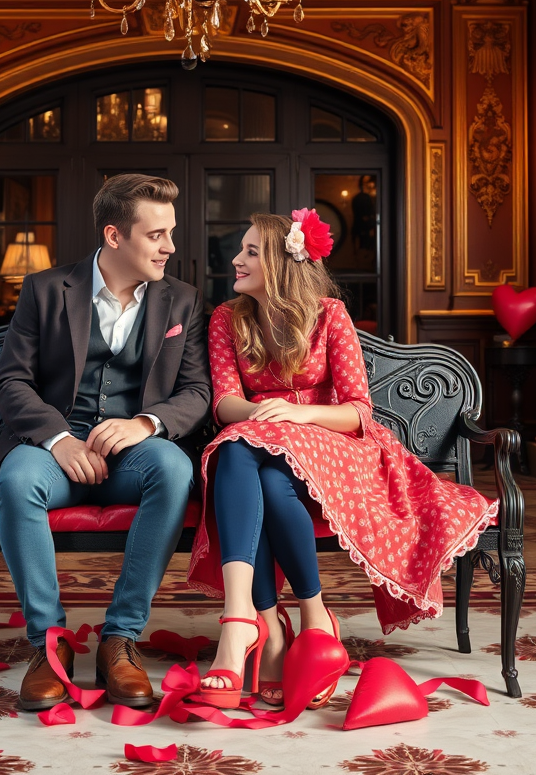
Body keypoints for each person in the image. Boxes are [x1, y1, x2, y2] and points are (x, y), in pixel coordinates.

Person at [187, 210, 498, 709]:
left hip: (333, 445)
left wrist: (297, 414)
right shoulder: (228, 318)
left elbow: (358, 410)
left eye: (251, 252)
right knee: (244, 455)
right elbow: (225, 403)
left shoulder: (330, 314)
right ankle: (268, 619)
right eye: (241, 250)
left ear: (283, 264)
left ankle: (272, 620)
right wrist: (267, 416)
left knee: (243, 452)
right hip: (259, 442)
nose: (236, 259)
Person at [0, 173, 212, 711]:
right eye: (156, 235)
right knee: (18, 477)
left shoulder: (182, 300)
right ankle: (48, 644)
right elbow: (11, 381)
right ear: (114, 236)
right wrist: (57, 439)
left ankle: (120, 638)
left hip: (133, 457)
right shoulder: (45, 289)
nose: (170, 247)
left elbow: (197, 391)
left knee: (173, 469)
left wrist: (144, 423)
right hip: (55, 455)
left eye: (171, 233)